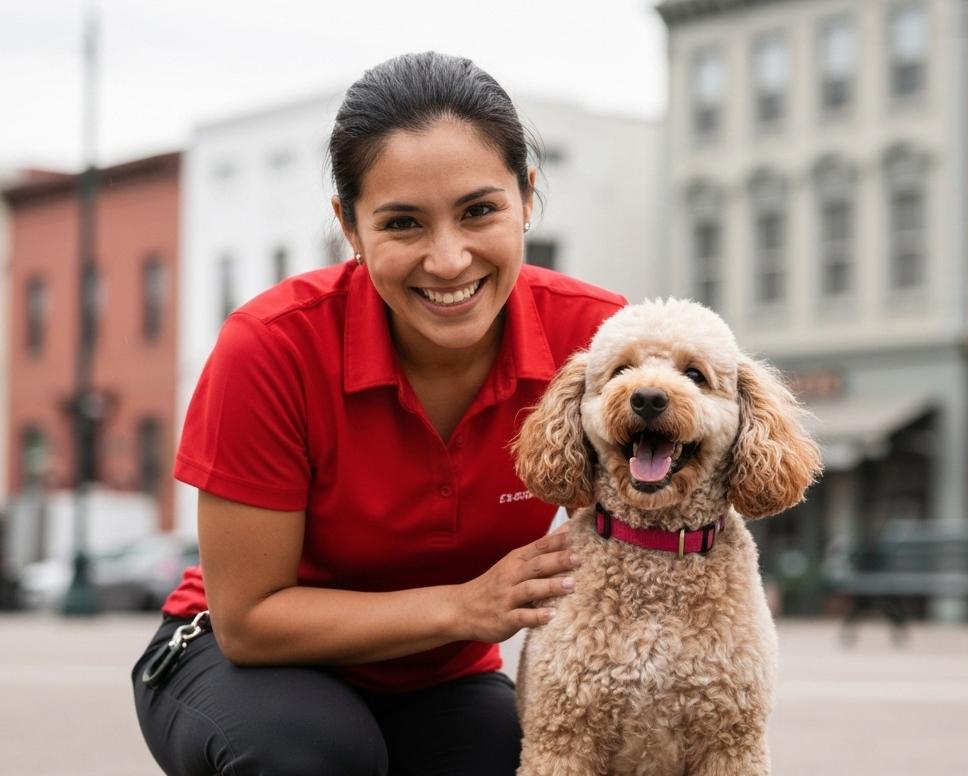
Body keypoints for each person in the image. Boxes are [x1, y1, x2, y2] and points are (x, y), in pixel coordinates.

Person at [131, 51, 625, 776]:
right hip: (244, 659)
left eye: (479, 210)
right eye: (403, 224)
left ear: (526, 195)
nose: (449, 260)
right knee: (319, 755)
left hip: (437, 676)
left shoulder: (598, 341)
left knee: (532, 754)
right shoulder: (270, 348)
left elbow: (648, 532)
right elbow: (250, 622)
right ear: (351, 227)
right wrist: (464, 608)